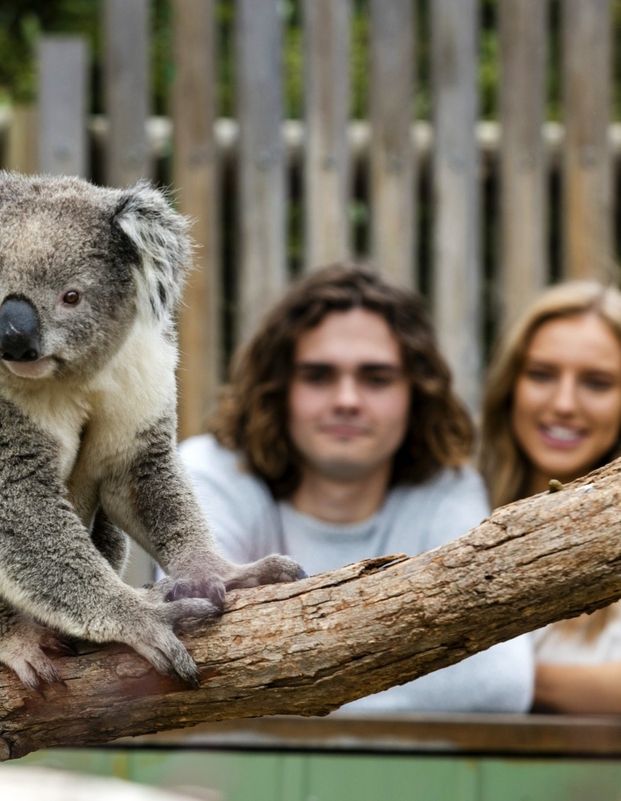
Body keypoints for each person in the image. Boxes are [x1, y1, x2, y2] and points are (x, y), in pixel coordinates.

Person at [180, 263, 534, 712]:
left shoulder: (446, 490)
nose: (347, 400)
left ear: (415, 393)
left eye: (376, 378)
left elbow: (499, 682)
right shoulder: (212, 471)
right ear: (280, 386)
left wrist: (280, 688)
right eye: (318, 376)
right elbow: (198, 652)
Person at [480, 280, 621, 713]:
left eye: (596, 383)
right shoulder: (453, 504)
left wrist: (483, 677)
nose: (563, 404)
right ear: (510, 385)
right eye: (541, 374)